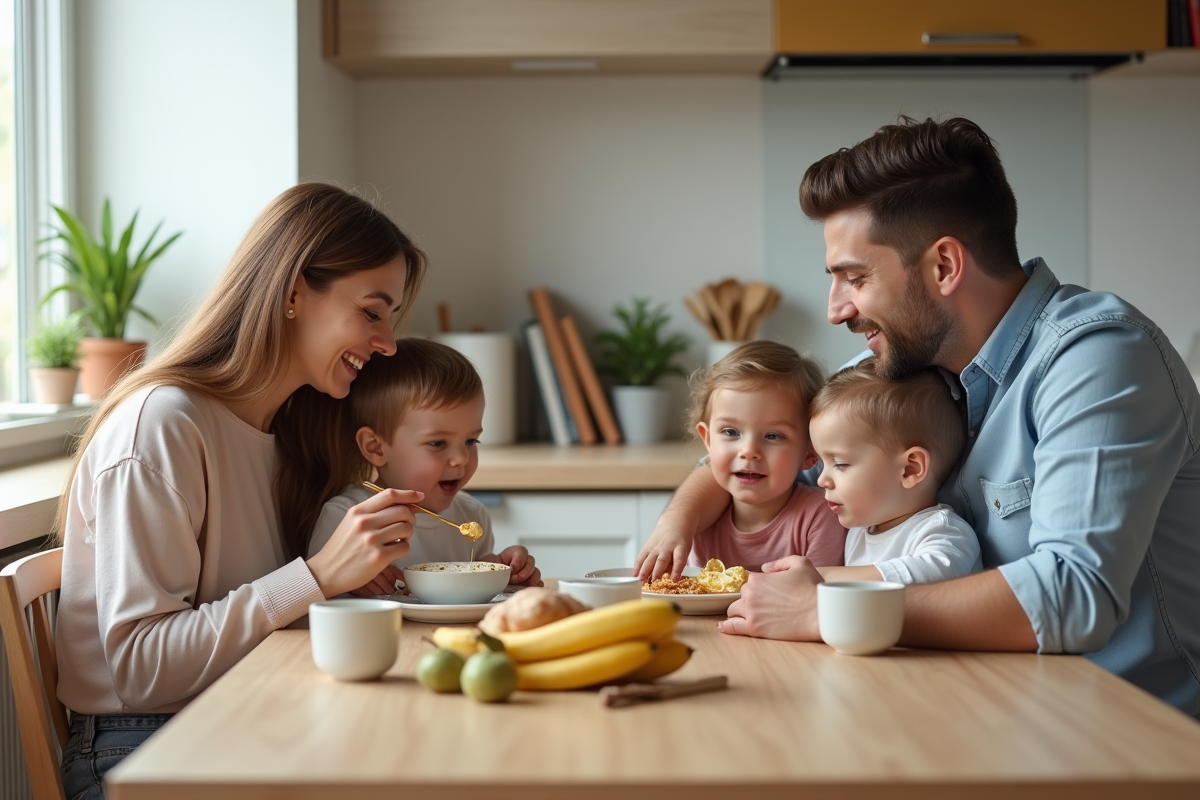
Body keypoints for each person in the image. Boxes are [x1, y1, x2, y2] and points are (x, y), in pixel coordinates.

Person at [635, 117, 1200, 715]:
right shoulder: (895, 367)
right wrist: (676, 521)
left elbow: (1072, 597)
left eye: (855, 277)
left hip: (1125, 736)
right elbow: (768, 458)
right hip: (969, 709)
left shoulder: (1099, 358)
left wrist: (831, 610)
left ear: (944, 266)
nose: (835, 310)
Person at [55, 183, 429, 798]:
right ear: (292, 292)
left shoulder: (286, 432)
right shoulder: (162, 426)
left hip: (242, 706)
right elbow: (143, 668)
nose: (386, 342)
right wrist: (315, 577)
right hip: (144, 745)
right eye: (371, 311)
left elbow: (257, 610)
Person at [306, 337, 542, 587]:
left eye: (471, 441)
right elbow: (315, 603)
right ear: (375, 447)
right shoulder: (346, 518)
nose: (462, 458)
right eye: (438, 443)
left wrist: (502, 572)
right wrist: (350, 584)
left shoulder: (473, 515)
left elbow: (472, 591)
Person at [808, 358, 980, 585]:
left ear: (910, 469)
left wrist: (821, 577)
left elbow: (931, 573)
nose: (821, 480)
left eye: (840, 464)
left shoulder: (944, 532)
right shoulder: (860, 531)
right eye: (822, 463)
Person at [679, 340, 845, 573]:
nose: (748, 451)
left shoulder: (821, 517)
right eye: (730, 432)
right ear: (707, 439)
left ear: (810, 452)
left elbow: (814, 599)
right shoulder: (700, 519)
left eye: (773, 435)